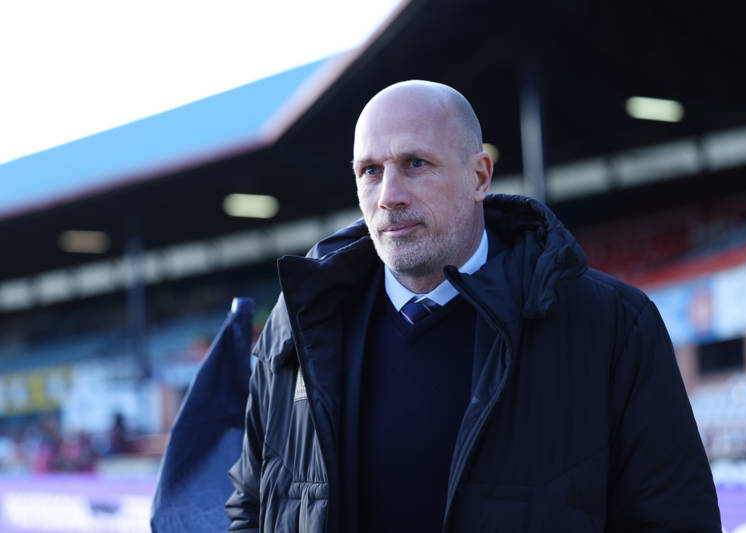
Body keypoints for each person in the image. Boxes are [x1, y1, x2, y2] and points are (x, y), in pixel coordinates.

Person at [226, 81, 720, 532]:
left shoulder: (613, 325)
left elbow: (674, 519)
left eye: (415, 164)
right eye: (370, 171)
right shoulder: (297, 327)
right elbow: (251, 506)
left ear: (480, 176)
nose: (389, 196)